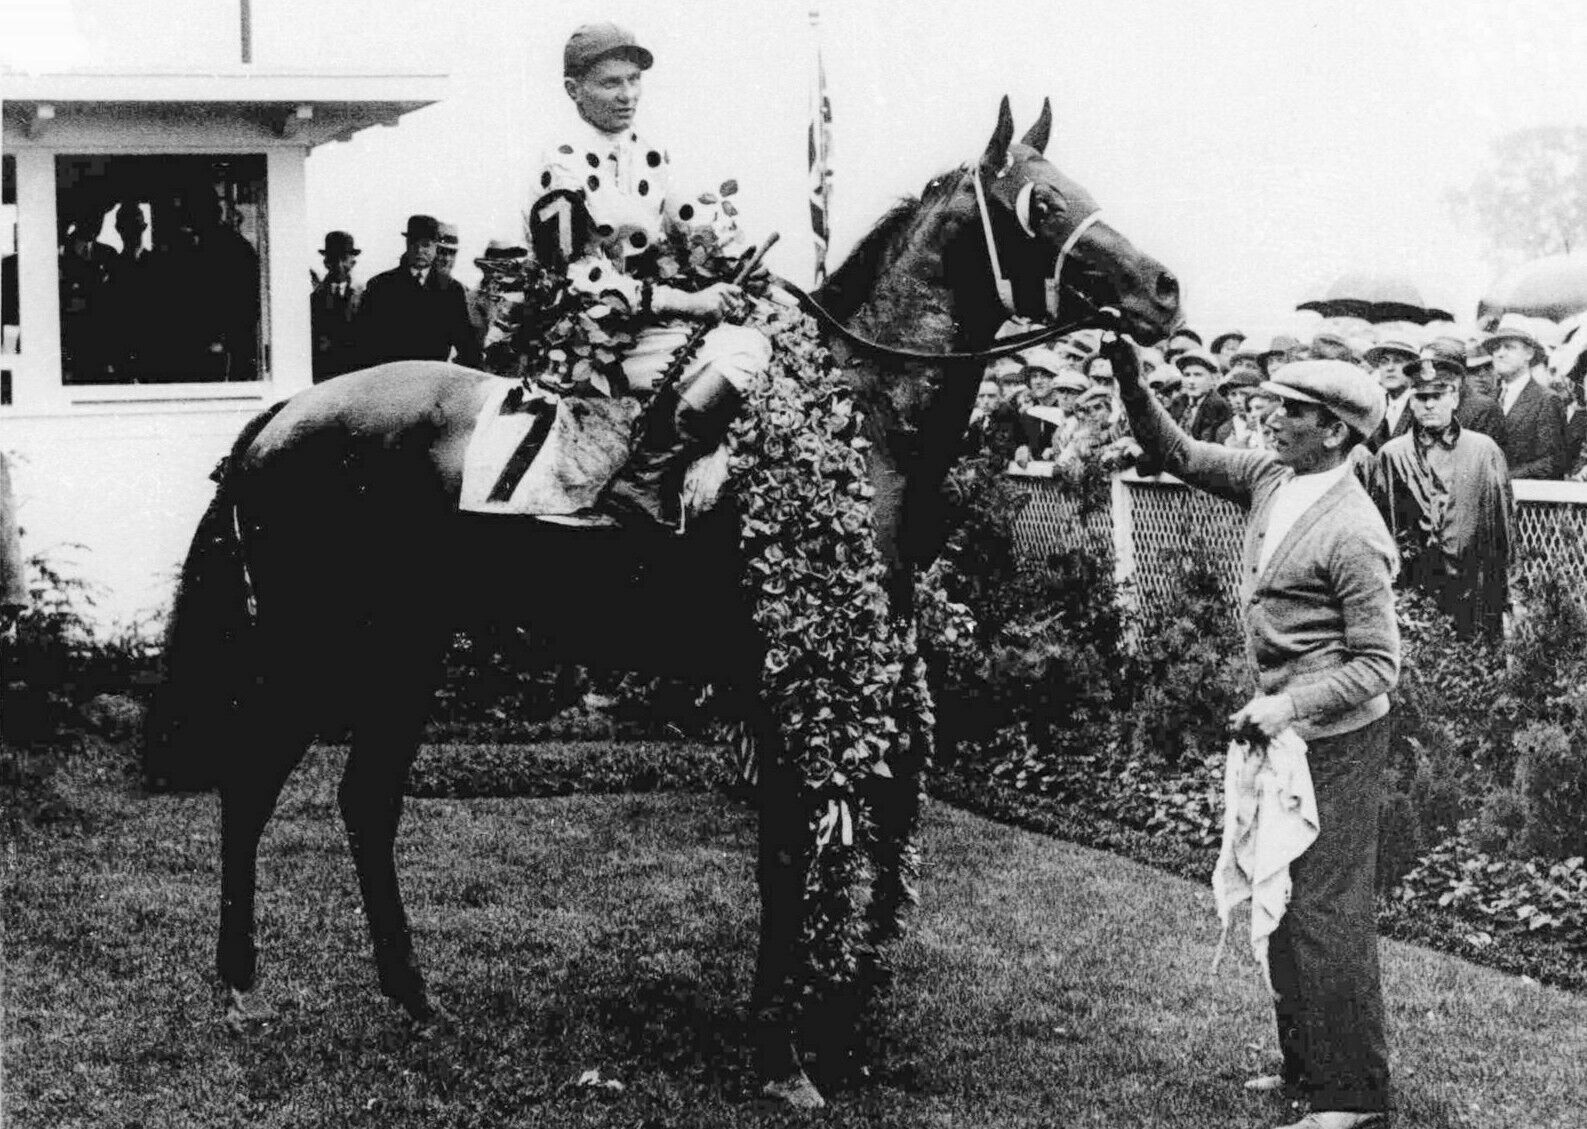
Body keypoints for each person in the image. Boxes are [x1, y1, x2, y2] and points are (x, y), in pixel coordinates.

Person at [1105, 328, 1398, 1129]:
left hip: (1337, 741)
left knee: (1324, 909)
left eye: (1291, 411)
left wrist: (1290, 705)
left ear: (1334, 429)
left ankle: (1351, 1094)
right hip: (1284, 732)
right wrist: (1131, 380)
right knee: (1274, 890)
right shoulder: (1272, 477)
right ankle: (1303, 1064)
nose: (1270, 418)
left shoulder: (1354, 529)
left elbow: (1377, 666)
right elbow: (1180, 453)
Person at [530, 21, 771, 526]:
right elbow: (578, 276)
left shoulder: (650, 151)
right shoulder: (560, 165)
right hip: (584, 332)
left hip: (645, 323)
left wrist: (754, 274)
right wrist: (688, 302)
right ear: (574, 90)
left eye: (634, 81)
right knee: (746, 351)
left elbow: (695, 223)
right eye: (610, 83)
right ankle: (642, 481)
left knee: (762, 335)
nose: (627, 95)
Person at [1365, 356, 1512, 640]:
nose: (1429, 404)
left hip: (1475, 589)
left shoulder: (1483, 451)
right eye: (1421, 397)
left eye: (1438, 395)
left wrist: (1508, 590)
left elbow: (1504, 525)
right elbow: (1379, 527)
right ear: (1411, 401)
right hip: (1414, 586)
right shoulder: (1393, 455)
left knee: (1477, 666)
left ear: (1454, 398)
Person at [357, 214, 481, 369]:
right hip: (389, 381)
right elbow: (363, 344)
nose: (420, 250)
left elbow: (467, 347)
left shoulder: (452, 291)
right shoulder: (380, 286)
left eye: (426, 244)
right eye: (414, 243)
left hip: (432, 384)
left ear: (436, 246)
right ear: (406, 244)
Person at [1487, 319, 1566, 479]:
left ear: (1529, 354)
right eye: (1496, 348)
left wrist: (1502, 478)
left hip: (1527, 499)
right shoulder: (1490, 399)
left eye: (1509, 347)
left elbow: (1551, 462)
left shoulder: (1547, 400)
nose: (1500, 353)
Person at [310, 230, 363, 381]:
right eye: (333, 259)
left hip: (355, 372)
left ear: (353, 261)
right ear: (326, 262)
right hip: (324, 373)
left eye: (344, 259)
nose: (339, 265)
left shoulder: (364, 295)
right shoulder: (314, 298)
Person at [1362, 339, 1418, 451]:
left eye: (1398, 361)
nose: (1390, 368)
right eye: (1384, 362)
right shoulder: (1374, 407)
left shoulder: (1421, 405)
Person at [1172, 348, 1234, 442]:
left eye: (1198, 375)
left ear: (1214, 379)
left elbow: (1208, 444)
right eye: (1187, 375)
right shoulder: (1178, 402)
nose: (1191, 381)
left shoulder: (1218, 406)